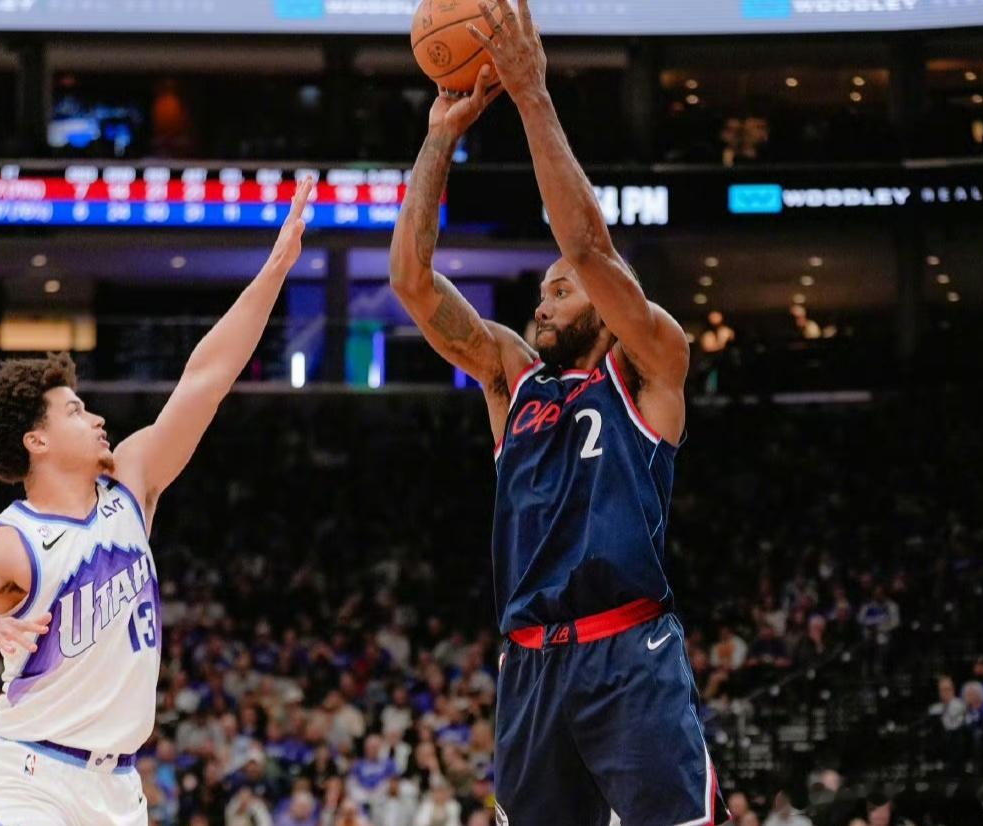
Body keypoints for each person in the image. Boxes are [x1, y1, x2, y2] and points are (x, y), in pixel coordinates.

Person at [389, 2, 725, 823]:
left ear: (609, 306)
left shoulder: (651, 366)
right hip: (531, 665)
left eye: (562, 290)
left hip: (629, 652)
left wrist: (532, 94)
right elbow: (412, 284)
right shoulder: (514, 379)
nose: (545, 297)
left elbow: (588, 249)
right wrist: (439, 138)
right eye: (541, 290)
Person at [0, 179, 314, 826]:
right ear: (37, 440)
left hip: (119, 787)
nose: (98, 418)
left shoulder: (131, 481)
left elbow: (205, 379)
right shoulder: (7, 545)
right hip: (30, 777)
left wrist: (276, 269)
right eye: (77, 411)